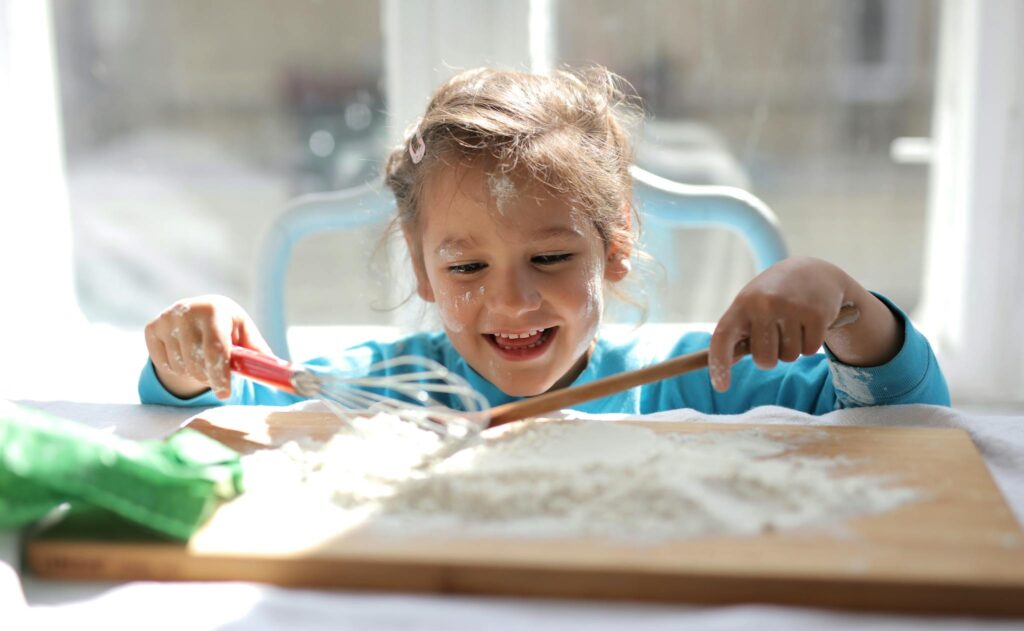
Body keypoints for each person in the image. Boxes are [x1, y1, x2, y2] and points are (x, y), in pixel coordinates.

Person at [139, 67, 949, 415]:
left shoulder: (702, 381)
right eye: (464, 265)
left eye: (552, 257)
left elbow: (903, 417)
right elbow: (237, 405)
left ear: (617, 245)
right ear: (421, 270)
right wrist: (194, 354)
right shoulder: (388, 394)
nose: (512, 298)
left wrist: (841, 298)